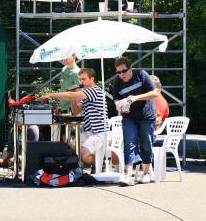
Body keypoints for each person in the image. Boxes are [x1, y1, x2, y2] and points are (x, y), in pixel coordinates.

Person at [40, 68, 108, 167]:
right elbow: (76, 111)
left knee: (84, 155)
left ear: (92, 79)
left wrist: (51, 95)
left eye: (84, 79)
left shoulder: (94, 90)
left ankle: (103, 164)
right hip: (89, 132)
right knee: (70, 146)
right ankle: (94, 164)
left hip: (99, 132)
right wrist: (73, 97)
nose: (81, 82)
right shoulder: (87, 93)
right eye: (80, 79)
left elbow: (72, 95)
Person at [112, 57, 158, 185]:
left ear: (130, 68)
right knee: (129, 143)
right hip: (129, 116)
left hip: (146, 115)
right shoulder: (117, 80)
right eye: (118, 72)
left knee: (146, 143)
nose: (121, 75)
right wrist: (119, 104)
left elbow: (155, 93)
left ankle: (146, 173)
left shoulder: (141, 74)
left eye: (124, 71)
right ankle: (129, 175)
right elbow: (115, 99)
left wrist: (136, 97)